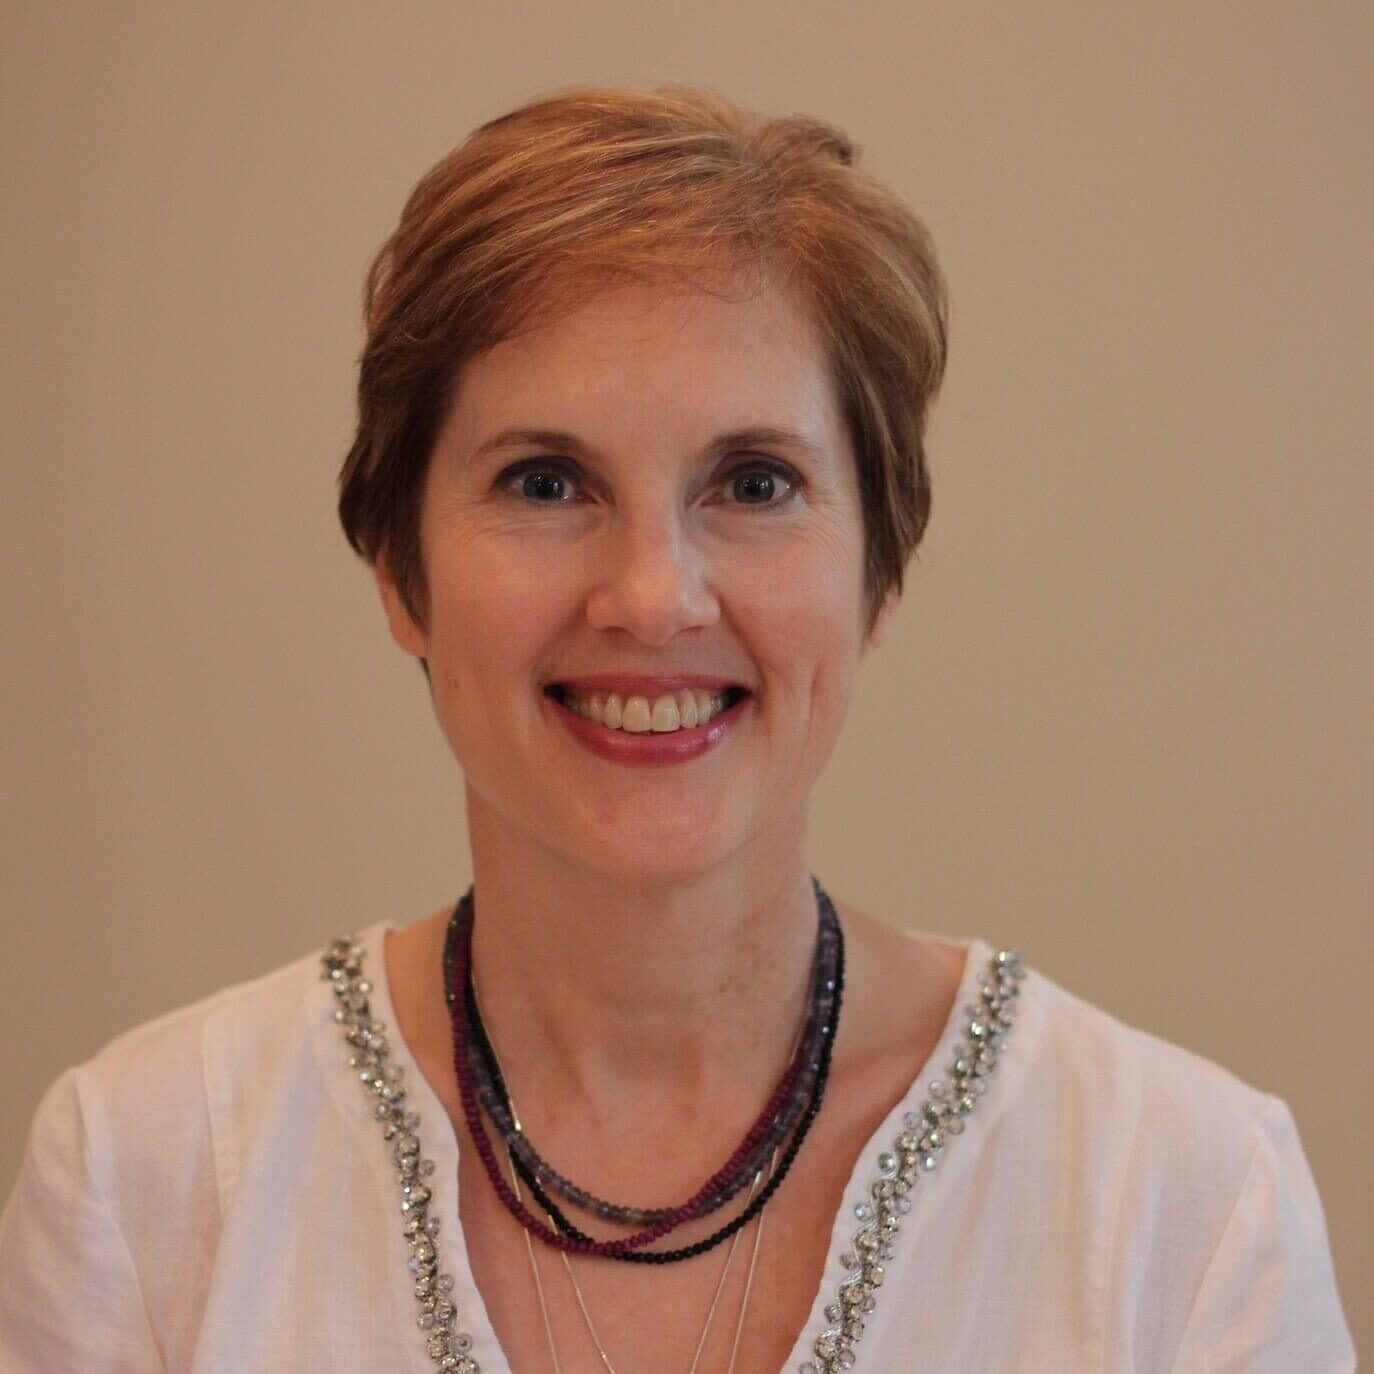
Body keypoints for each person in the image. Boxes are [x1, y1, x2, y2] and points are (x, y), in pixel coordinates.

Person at [0, 85, 1354, 1374]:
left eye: (753, 481)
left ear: (878, 571)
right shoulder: (150, 1175)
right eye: (545, 480)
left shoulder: (1182, 1202)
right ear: (398, 570)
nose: (652, 595)